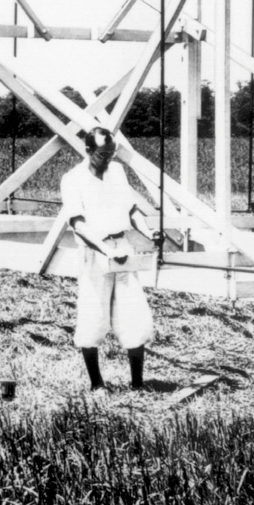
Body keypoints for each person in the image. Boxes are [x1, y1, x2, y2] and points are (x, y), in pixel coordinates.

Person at [60, 127, 158, 391]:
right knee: (93, 315)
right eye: (103, 155)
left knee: (133, 312)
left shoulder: (116, 172)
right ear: (88, 150)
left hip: (122, 247)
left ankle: (137, 384)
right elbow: (78, 224)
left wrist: (149, 232)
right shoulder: (72, 179)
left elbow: (131, 209)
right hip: (94, 252)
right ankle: (97, 384)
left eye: (111, 154)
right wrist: (105, 249)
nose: (107, 160)